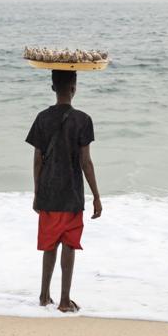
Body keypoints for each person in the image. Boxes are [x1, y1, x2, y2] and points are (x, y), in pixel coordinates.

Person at [25, 69, 102, 313]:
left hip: (48, 191)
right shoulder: (83, 120)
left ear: (52, 87)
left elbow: (37, 159)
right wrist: (97, 196)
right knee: (69, 244)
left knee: (49, 245)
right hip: (71, 193)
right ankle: (64, 301)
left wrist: (37, 192)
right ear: (74, 87)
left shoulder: (42, 118)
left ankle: (43, 295)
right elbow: (86, 162)